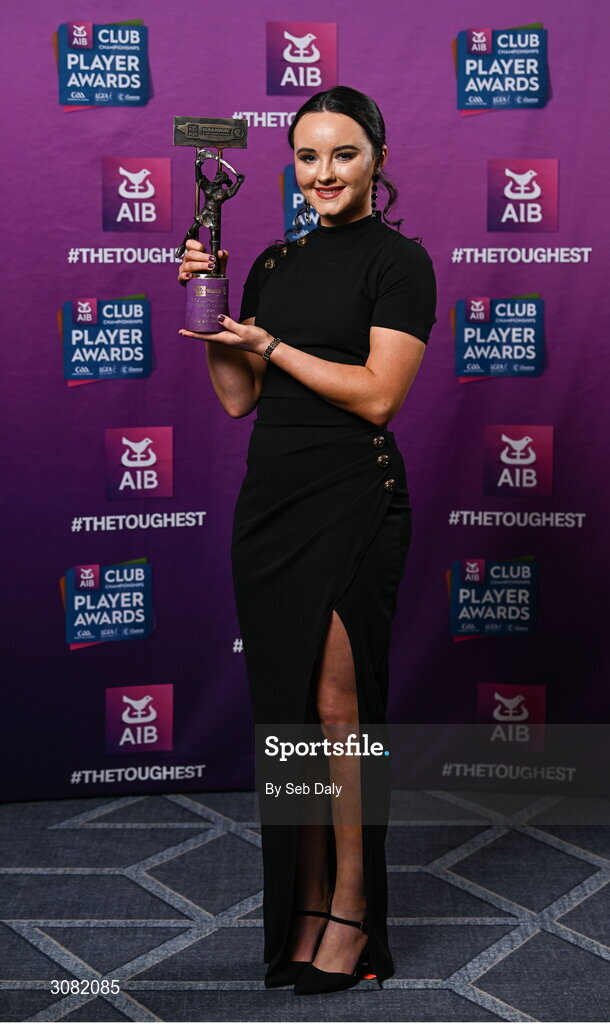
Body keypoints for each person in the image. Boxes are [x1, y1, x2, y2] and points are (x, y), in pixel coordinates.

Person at [178, 85, 437, 995]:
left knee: (338, 713)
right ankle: (307, 901)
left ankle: (356, 911)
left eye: (343, 155)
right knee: (290, 718)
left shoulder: (401, 263)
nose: (324, 173)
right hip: (272, 506)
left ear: (378, 161)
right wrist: (211, 321)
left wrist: (271, 343)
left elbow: (377, 396)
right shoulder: (274, 262)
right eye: (308, 156)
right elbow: (237, 397)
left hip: (353, 501)